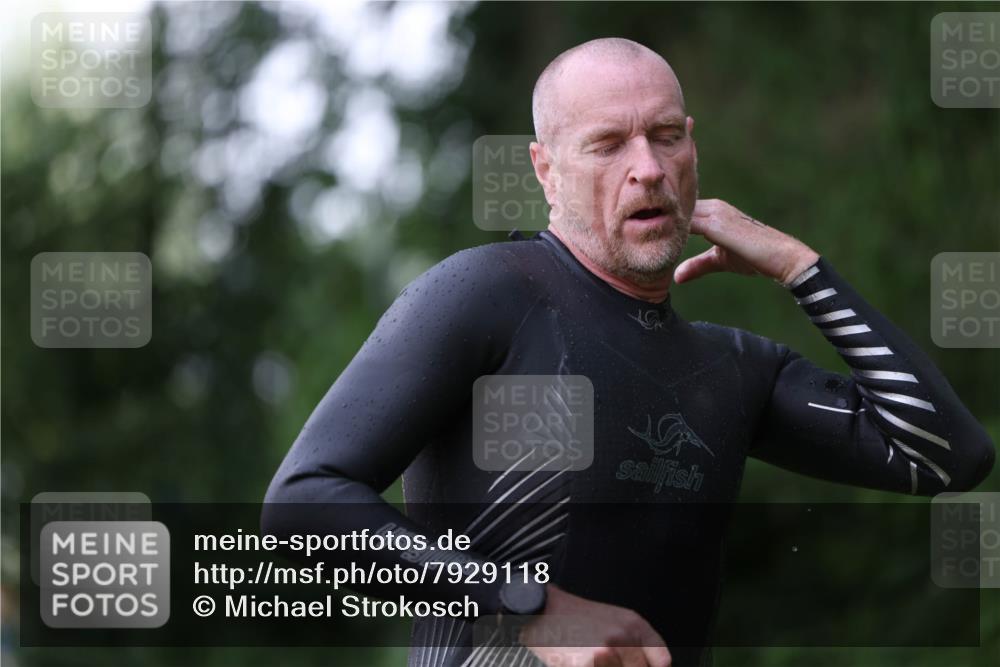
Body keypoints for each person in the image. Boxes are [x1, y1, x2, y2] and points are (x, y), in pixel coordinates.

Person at [262, 37, 995, 667]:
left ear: (692, 148)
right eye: (607, 144)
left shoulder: (731, 369)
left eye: (666, 135)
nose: (647, 167)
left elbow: (945, 454)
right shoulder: (489, 295)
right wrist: (529, 605)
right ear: (546, 169)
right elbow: (302, 502)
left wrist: (798, 266)